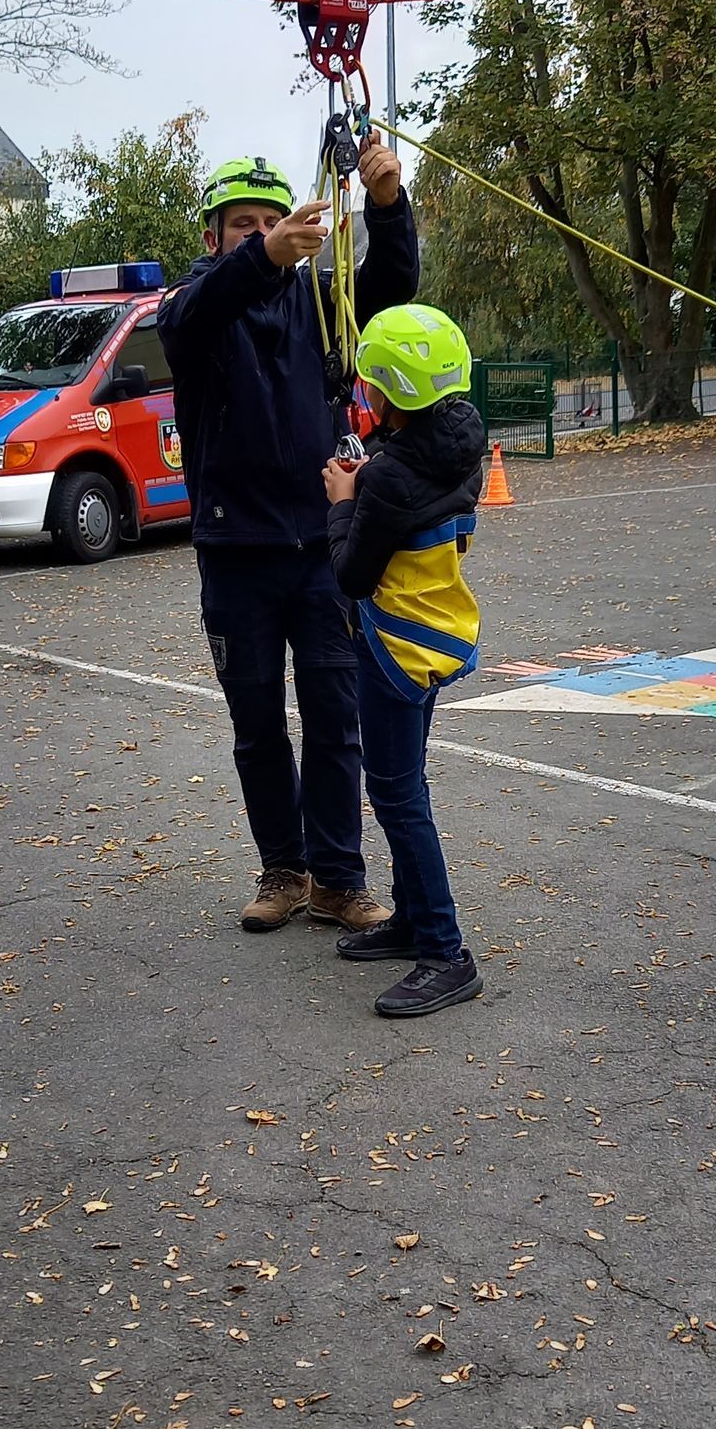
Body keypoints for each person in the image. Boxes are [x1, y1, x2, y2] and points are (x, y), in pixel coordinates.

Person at [158, 146, 419, 932]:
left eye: (272, 220)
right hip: (235, 553)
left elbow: (391, 287)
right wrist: (263, 257)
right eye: (243, 223)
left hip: (320, 549)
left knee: (336, 717)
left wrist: (386, 203)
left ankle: (338, 878)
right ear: (213, 236)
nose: (261, 231)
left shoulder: (320, 300)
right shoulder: (194, 305)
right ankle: (284, 869)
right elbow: (194, 314)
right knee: (258, 724)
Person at [321, 304, 488, 1019]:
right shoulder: (461, 444)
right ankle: (414, 920)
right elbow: (413, 495)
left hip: (392, 645)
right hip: (436, 634)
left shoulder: (388, 476)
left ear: (387, 391)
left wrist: (342, 500)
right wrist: (371, 484)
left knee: (396, 797)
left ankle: (446, 952)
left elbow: (350, 575)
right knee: (406, 783)